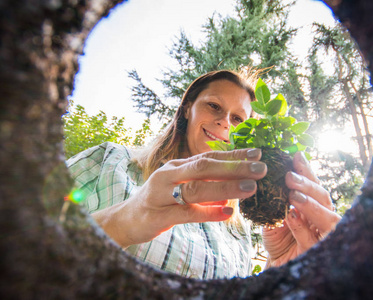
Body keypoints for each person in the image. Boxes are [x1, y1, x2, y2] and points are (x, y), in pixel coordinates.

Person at [67, 69, 341, 279]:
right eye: (214, 106)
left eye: (238, 119)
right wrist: (121, 222)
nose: (224, 121)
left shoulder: (238, 230)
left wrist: (279, 269)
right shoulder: (111, 161)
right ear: (188, 107)